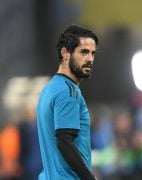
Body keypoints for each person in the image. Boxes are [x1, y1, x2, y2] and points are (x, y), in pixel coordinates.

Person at [36, 24, 98, 179]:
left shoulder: (50, 88)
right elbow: (64, 141)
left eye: (92, 53)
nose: (90, 59)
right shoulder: (68, 91)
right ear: (65, 53)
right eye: (83, 52)